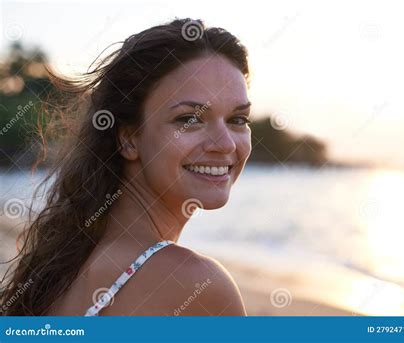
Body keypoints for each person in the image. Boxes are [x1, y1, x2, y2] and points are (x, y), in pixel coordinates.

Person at [0, 18, 252, 316]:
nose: (225, 144)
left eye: (238, 120)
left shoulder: (64, 265)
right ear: (129, 138)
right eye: (189, 119)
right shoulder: (197, 286)